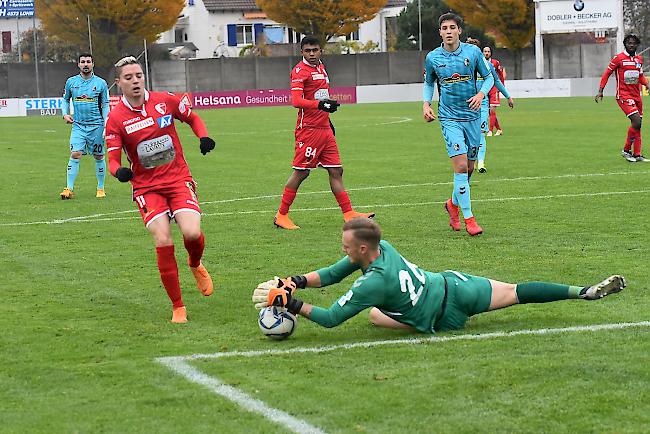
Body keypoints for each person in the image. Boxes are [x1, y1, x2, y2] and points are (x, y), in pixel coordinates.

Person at [252, 218, 626, 334]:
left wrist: (292, 303)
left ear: (363, 249)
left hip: (440, 317)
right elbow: (334, 273)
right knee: (516, 291)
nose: (344, 249)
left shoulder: (372, 282)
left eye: (347, 245)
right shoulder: (385, 248)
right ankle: (583, 291)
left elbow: (332, 318)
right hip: (453, 284)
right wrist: (297, 280)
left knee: (372, 315)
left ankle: (417, 321)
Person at [105, 56, 217, 323]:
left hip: (178, 179)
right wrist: (119, 171)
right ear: (118, 83)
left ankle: (194, 263)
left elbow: (193, 118)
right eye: (129, 77)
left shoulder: (165, 100)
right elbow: (112, 159)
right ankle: (178, 307)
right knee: (163, 240)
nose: (135, 81)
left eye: (139, 75)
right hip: (146, 188)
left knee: (191, 232)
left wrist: (203, 137)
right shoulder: (116, 118)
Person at [273, 35, 375, 230]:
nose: (312, 54)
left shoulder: (321, 67)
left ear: (321, 51)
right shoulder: (299, 71)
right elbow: (296, 101)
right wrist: (320, 104)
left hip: (324, 128)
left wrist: (328, 118)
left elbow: (322, 96)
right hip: (309, 130)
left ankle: (348, 213)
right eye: (308, 51)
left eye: (315, 50)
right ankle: (281, 215)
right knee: (301, 172)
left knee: (336, 170)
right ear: (301, 52)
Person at [423, 13, 494, 236]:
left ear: (459, 31)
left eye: (453, 27)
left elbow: (489, 77)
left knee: (470, 168)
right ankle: (469, 220)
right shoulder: (433, 57)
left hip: (472, 117)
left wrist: (482, 94)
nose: (449, 31)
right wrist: (426, 104)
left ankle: (452, 204)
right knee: (461, 166)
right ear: (440, 32)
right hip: (449, 117)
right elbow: (428, 83)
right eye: (445, 28)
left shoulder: (472, 53)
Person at [60, 53, 110, 199]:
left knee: (99, 156)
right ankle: (69, 188)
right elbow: (65, 99)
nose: (86, 64)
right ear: (78, 64)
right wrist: (65, 113)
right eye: (83, 62)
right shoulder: (71, 82)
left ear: (93, 64)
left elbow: (105, 104)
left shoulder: (101, 83)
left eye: (88, 61)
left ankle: (100, 188)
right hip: (78, 126)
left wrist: (107, 123)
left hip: (97, 126)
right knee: (75, 153)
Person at [596, 34, 649, 162]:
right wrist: (601, 90)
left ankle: (637, 154)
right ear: (625, 44)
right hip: (623, 95)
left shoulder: (638, 60)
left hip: (637, 96)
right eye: (629, 43)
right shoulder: (618, 58)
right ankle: (626, 150)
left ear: (637, 45)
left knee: (638, 125)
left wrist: (646, 84)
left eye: (634, 43)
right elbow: (607, 74)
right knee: (636, 121)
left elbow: (640, 76)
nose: (632, 45)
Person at [466, 38, 514, 173]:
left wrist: (508, 96)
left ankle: (481, 163)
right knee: (468, 136)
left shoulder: (487, 66)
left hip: (482, 104)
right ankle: (471, 161)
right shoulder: (462, 65)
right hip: (466, 106)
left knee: (480, 134)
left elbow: (497, 81)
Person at [482, 46, 507, 137]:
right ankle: (499, 129)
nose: (486, 53)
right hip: (485, 89)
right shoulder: (480, 63)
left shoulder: (495, 63)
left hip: (494, 89)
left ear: (491, 53)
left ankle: (490, 131)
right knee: (489, 111)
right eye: (485, 51)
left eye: (488, 51)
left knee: (492, 110)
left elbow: (500, 75)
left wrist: (502, 87)